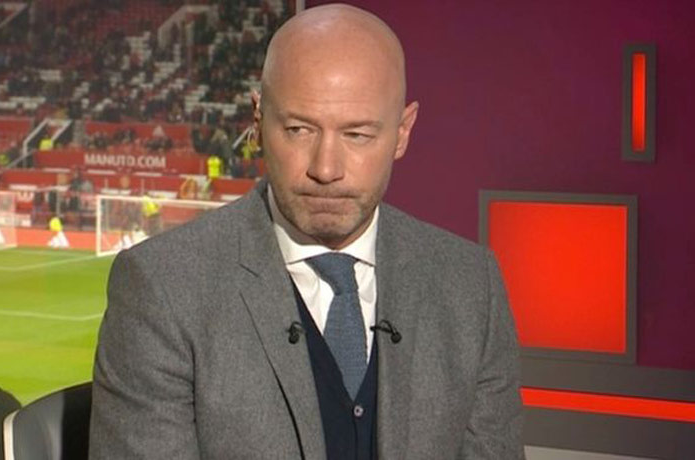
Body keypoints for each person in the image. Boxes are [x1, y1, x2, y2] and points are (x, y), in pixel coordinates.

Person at [90, 4, 523, 459]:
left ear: (402, 132)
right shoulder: (163, 288)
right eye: (299, 129)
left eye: (357, 135)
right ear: (258, 122)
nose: (326, 169)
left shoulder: (471, 286)